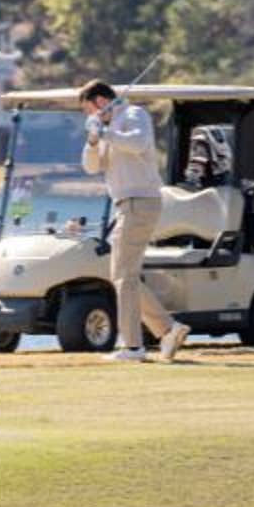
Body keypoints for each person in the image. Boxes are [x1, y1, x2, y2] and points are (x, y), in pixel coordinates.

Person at [78, 79, 188, 363]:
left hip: (141, 201)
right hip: (125, 205)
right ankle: (168, 328)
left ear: (100, 102)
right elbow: (91, 167)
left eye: (88, 109)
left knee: (124, 276)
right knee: (121, 276)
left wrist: (104, 131)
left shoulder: (133, 115)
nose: (87, 115)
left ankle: (133, 346)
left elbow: (138, 144)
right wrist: (93, 140)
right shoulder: (104, 130)